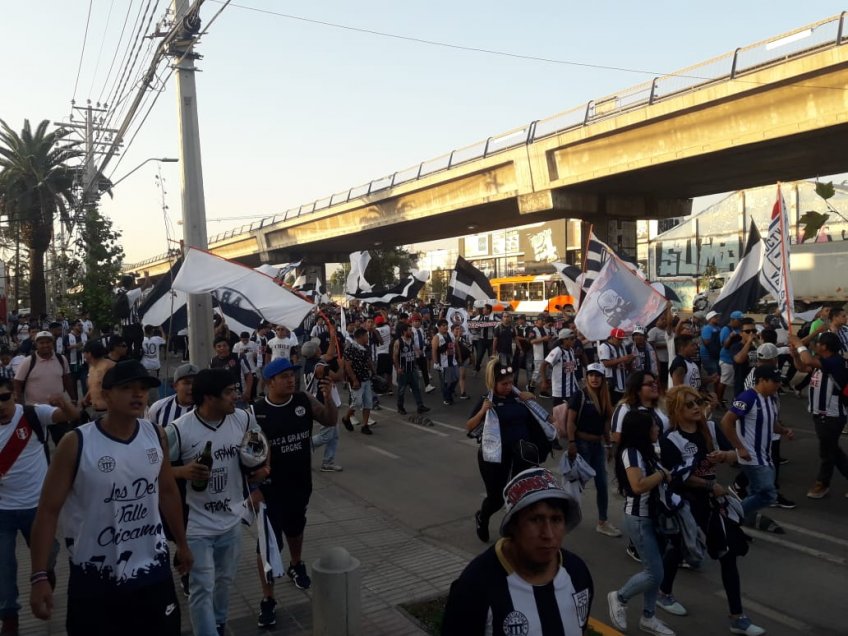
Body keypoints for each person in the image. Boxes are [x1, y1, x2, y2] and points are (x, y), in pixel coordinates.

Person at [29, 360, 191, 636]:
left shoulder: (155, 435)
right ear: (105, 395)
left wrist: (183, 544)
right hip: (96, 579)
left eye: (143, 388)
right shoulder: (76, 443)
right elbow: (47, 511)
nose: (139, 394)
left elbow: (166, 492)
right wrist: (39, 576)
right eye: (127, 388)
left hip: (152, 572)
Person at [658, 386, 766, 636]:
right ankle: (663, 592)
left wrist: (728, 455)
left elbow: (739, 456)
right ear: (676, 410)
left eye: (698, 402)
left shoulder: (712, 429)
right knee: (679, 548)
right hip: (685, 504)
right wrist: (709, 484)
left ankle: (737, 617)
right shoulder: (669, 440)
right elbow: (675, 477)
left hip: (713, 504)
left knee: (728, 554)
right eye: (689, 404)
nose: (696, 407)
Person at [166, 368, 265, 636]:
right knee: (202, 587)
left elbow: (259, 448)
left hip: (231, 520)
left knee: (223, 581)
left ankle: (219, 623)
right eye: (229, 393)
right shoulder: (179, 430)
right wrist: (182, 471)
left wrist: (260, 472)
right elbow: (153, 470)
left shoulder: (243, 419)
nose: (236, 396)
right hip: (196, 525)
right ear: (209, 398)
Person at [441, 467, 593, 636]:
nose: (548, 534)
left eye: (556, 519)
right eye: (535, 519)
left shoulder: (577, 573)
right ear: (513, 526)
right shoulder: (475, 587)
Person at [253, 357, 338, 627]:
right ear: (270, 382)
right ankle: (268, 599)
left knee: (296, 528)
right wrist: (254, 487)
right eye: (285, 376)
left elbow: (329, 420)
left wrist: (329, 397)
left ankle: (296, 564)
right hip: (269, 490)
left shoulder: (302, 400)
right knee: (267, 546)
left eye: (293, 374)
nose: (291, 379)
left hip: (300, 482)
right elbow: (246, 453)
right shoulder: (256, 412)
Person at [0, 379, 78, 635]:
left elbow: (70, 416)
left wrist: (63, 404)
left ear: (13, 395)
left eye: (4, 398)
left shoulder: (33, 414)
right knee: (4, 567)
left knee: (49, 554)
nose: (1, 405)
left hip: (37, 508)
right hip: (3, 512)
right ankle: (9, 616)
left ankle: (45, 572)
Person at [466, 358, 553, 543]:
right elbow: (470, 427)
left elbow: (543, 420)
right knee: (496, 498)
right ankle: (483, 516)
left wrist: (531, 399)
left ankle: (515, 531)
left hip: (522, 456)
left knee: (522, 495)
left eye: (511, 382)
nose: (508, 387)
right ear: (493, 383)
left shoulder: (519, 398)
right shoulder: (487, 401)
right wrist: (482, 412)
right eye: (504, 384)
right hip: (495, 458)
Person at [607, 410, 676, 636]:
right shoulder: (631, 453)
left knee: (655, 569)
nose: (658, 430)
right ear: (642, 430)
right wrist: (663, 474)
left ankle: (648, 617)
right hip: (639, 518)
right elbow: (637, 486)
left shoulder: (648, 451)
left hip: (653, 516)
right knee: (655, 573)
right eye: (654, 427)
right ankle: (620, 597)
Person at [555, 362, 620, 537]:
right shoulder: (580, 396)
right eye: (591, 375)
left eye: (598, 375)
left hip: (597, 446)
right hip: (581, 445)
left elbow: (606, 424)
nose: (594, 378)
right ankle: (561, 517)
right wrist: (571, 442)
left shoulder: (605, 397)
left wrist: (608, 445)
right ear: (586, 378)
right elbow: (570, 421)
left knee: (602, 485)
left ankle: (603, 521)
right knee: (575, 485)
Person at [720, 367, 793, 523]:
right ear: (761, 381)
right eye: (775, 382)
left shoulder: (771, 399)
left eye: (779, 381)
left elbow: (771, 423)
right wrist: (739, 447)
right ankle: (732, 515)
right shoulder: (747, 398)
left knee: (755, 492)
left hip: (765, 455)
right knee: (769, 494)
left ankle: (744, 519)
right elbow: (726, 422)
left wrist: (784, 431)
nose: (778, 385)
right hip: (752, 457)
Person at [788, 331, 848, 499]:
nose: (815, 346)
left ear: (825, 347)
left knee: (827, 451)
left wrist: (798, 343)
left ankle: (822, 483)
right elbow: (803, 366)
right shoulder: (823, 362)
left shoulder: (835, 362)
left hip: (831, 415)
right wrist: (795, 356)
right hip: (821, 414)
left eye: (819, 343)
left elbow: (808, 360)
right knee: (832, 450)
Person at [301, 338, 345, 472]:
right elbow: (337, 377)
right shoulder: (320, 366)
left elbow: (330, 354)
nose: (321, 348)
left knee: (334, 433)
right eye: (318, 347)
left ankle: (328, 462)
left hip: (318, 399)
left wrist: (332, 338)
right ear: (315, 351)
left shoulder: (311, 361)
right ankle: (303, 447)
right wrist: (341, 365)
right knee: (326, 434)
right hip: (322, 401)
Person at [342, 327, 375, 435]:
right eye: (366, 336)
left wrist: (373, 371)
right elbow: (348, 366)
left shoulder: (366, 347)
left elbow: (368, 361)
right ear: (360, 337)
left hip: (366, 378)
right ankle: (346, 418)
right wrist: (354, 380)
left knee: (368, 403)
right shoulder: (350, 349)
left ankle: (365, 425)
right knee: (357, 402)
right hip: (357, 380)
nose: (367, 338)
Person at [393, 324, 430, 416]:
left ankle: (420, 406)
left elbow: (414, 349)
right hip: (403, 371)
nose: (411, 331)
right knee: (401, 390)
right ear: (404, 331)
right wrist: (398, 368)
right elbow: (394, 356)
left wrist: (418, 351)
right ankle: (400, 407)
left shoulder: (411, 340)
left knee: (416, 388)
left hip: (412, 369)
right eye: (409, 330)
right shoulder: (398, 342)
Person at [539, 328, 581, 407]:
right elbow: (543, 365)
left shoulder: (571, 350)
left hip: (571, 390)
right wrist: (544, 381)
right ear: (564, 340)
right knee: (559, 415)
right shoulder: (557, 351)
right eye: (571, 339)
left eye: (574, 338)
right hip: (560, 391)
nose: (574, 340)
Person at [598, 328, 635, 404]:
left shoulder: (622, 346)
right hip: (611, 380)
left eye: (622, 339)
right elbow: (606, 363)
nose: (620, 341)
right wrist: (622, 359)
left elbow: (625, 362)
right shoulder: (604, 346)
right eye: (618, 339)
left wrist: (630, 359)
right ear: (612, 337)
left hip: (623, 379)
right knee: (612, 403)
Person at [80, 340, 115, 419]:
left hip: (109, 413)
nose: (84, 355)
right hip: (95, 412)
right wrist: (86, 398)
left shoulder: (109, 366)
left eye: (84, 352)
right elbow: (95, 387)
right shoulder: (91, 367)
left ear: (89, 353)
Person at [432, 319, 459, 406]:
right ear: (439, 327)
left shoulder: (451, 334)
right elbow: (434, 350)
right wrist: (436, 362)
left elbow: (455, 344)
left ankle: (449, 393)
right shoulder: (437, 337)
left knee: (456, 378)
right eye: (443, 325)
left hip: (453, 361)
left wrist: (459, 357)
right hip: (444, 363)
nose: (445, 327)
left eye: (446, 325)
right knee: (446, 382)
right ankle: (447, 398)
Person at [410, 313, 436, 393]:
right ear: (412, 322)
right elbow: (411, 342)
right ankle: (413, 386)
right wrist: (417, 350)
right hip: (414, 353)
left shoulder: (421, 329)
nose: (417, 322)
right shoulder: (411, 331)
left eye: (418, 321)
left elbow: (422, 339)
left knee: (424, 369)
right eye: (415, 321)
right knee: (414, 371)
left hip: (422, 352)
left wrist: (425, 344)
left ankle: (427, 385)